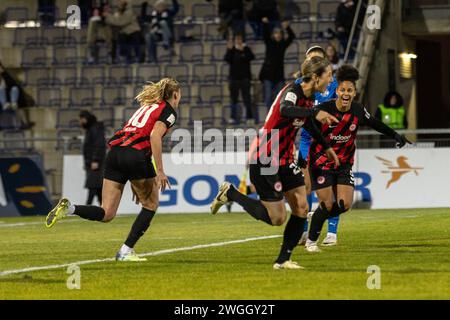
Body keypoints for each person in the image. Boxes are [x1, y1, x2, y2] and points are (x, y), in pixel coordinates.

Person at [211, 57, 340, 270]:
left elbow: (308, 123)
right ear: (316, 78)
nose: (331, 80)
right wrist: (315, 112)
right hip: (265, 158)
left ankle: (283, 260)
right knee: (277, 218)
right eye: (328, 75)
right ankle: (231, 193)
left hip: (285, 158)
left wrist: (326, 147)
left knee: (301, 206)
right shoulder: (293, 91)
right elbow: (285, 109)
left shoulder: (309, 98)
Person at [45, 78, 181, 262]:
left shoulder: (147, 106)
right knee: (150, 205)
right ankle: (125, 251)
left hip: (115, 153)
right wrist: (160, 171)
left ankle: (70, 208)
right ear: (175, 94)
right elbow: (154, 136)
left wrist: (135, 178)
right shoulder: (168, 111)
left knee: (107, 212)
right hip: (135, 155)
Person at [305, 65, 411, 252]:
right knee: (327, 204)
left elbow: (376, 124)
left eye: (350, 90)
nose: (346, 93)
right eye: (343, 90)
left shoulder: (358, 111)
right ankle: (311, 242)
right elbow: (305, 121)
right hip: (321, 162)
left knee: (344, 205)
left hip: (344, 164)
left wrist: (396, 135)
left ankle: (318, 216)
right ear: (337, 91)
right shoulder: (324, 109)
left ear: (354, 93)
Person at [297, 46, 340, 246]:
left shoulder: (333, 84)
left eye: (317, 58)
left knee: (329, 187)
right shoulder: (298, 85)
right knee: (305, 186)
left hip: (326, 142)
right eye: (310, 58)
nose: (313, 61)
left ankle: (332, 231)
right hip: (306, 141)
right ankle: (304, 231)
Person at [259, 17, 295, 109]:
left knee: (280, 98)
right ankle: (269, 118)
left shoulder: (283, 44)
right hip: (268, 75)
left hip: (279, 75)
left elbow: (291, 37)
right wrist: (265, 24)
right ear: (273, 35)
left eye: (279, 33)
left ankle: (278, 118)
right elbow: (265, 35)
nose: (278, 35)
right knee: (268, 98)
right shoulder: (269, 43)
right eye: (276, 33)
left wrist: (287, 27)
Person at [224, 33, 256, 124]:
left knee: (247, 99)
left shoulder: (246, 49)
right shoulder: (232, 50)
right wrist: (229, 50)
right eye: (237, 39)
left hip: (245, 78)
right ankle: (233, 117)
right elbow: (227, 59)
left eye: (240, 39)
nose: (238, 41)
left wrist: (243, 51)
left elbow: (251, 57)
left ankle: (249, 117)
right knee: (233, 99)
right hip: (234, 79)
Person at [79, 110, 106, 205]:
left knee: (93, 185)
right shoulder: (92, 129)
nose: (81, 122)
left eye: (82, 119)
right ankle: (104, 208)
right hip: (92, 163)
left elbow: (99, 145)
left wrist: (95, 160)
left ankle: (88, 206)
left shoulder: (95, 129)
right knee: (97, 186)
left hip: (95, 163)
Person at [0, 62, 35, 130]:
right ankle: (8, 105)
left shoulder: (5, 76)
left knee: (15, 89)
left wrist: (4, 73)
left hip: (10, 101)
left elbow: (14, 86)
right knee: (1, 90)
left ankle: (13, 105)